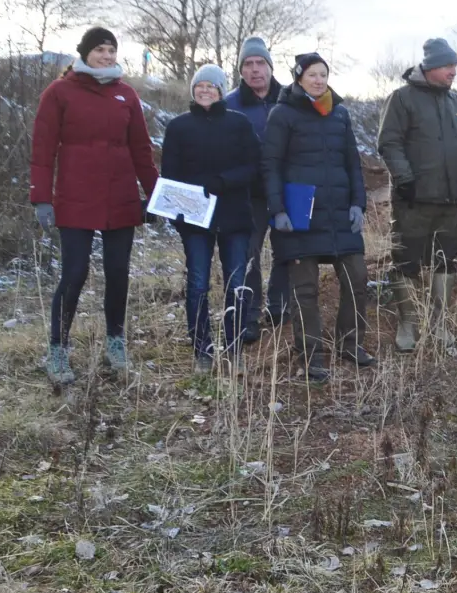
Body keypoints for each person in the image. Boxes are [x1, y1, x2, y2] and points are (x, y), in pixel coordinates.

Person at [29, 26, 159, 384]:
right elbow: (42, 149)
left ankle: (115, 342)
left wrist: (156, 195)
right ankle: (57, 349)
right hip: (75, 196)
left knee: (118, 273)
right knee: (74, 273)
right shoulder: (59, 93)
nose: (106, 56)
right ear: (85, 53)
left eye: (112, 50)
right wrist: (41, 197)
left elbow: (142, 152)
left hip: (120, 197)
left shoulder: (126, 95)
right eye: (100, 49)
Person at [261, 52, 375, 382]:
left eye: (323, 73)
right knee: (305, 290)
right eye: (312, 74)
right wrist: (277, 209)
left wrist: (358, 204)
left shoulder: (339, 114)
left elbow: (353, 163)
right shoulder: (283, 115)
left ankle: (350, 343)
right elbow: (270, 165)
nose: (319, 79)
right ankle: (311, 355)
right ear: (298, 78)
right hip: (299, 215)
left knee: (356, 277)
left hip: (339, 213)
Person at [376, 37, 457, 353]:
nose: (454, 71)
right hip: (411, 200)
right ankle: (408, 326)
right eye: (448, 66)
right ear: (431, 67)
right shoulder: (402, 99)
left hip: (448, 201)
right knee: (406, 262)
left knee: (446, 262)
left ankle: (439, 326)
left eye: (455, 65)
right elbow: (389, 142)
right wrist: (404, 178)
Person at [161, 64, 261, 374]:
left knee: (236, 283)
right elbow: (170, 176)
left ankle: (234, 349)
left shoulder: (239, 124)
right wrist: (177, 217)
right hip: (194, 220)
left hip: (234, 215)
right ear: (193, 90)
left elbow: (253, 167)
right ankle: (202, 350)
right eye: (200, 85)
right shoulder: (178, 127)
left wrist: (224, 180)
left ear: (221, 90)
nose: (205, 90)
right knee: (198, 284)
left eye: (212, 86)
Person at [226, 36, 289, 343]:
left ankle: (279, 308)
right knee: (249, 255)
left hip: (287, 189)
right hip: (248, 193)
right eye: (247, 65)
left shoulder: (291, 98)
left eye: (260, 63)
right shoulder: (230, 104)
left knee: (287, 251)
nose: (254, 70)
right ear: (241, 70)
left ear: (270, 66)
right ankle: (249, 316)